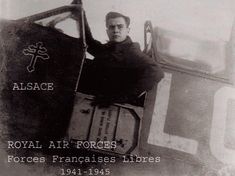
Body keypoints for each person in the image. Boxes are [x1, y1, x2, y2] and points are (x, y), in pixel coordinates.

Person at [78, 11, 164, 107]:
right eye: (112, 27)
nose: (115, 30)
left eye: (120, 26)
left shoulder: (131, 51)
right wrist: (81, 15)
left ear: (128, 30)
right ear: (107, 31)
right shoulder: (110, 48)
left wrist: (119, 98)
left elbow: (157, 71)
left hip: (105, 107)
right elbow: (90, 43)